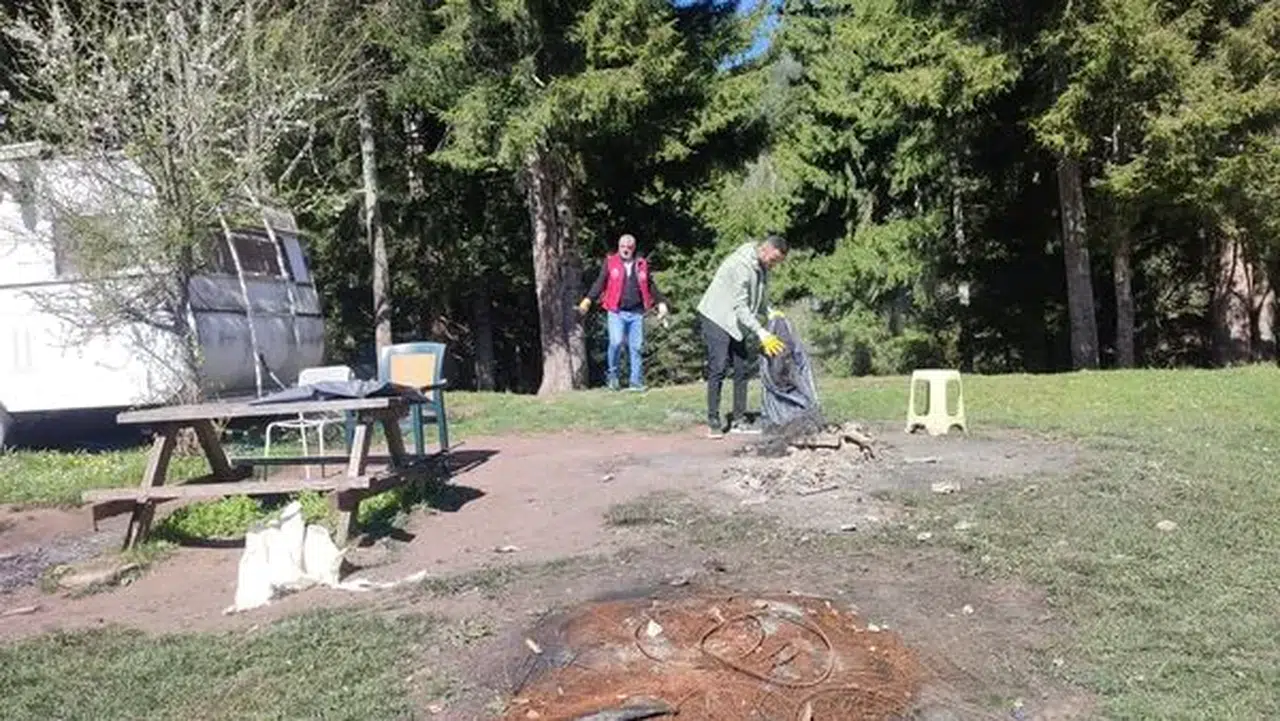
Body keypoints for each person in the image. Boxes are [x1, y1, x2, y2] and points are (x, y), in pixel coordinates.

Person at [695, 234, 788, 438]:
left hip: (736, 321)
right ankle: (713, 420)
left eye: (777, 262)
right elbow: (740, 306)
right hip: (717, 316)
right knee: (718, 366)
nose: (774, 265)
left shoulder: (762, 267)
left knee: (741, 367)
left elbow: (758, 297)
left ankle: (738, 419)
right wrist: (761, 331)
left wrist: (768, 311)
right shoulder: (741, 266)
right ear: (764, 250)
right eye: (773, 260)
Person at [578, 233, 669, 391]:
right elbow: (600, 283)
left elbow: (650, 286)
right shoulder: (610, 262)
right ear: (619, 247)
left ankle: (636, 382)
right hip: (616, 311)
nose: (625, 250)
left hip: (637, 312)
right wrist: (588, 300)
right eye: (623, 247)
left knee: (636, 347)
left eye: (629, 247)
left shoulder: (641, 264)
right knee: (616, 342)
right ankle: (612, 376)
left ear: (633, 249)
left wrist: (661, 303)